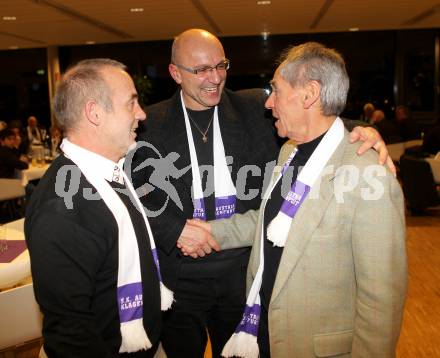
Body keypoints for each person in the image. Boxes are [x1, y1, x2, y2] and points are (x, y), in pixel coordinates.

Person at [131, 29, 392, 358]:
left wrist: (366, 132)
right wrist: (175, 230)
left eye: (220, 65)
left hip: (243, 274)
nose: (215, 78)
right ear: (175, 73)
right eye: (201, 70)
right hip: (180, 277)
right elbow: (133, 195)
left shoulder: (255, 107)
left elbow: (323, 122)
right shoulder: (148, 124)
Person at [192, 42, 407, 358]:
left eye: (276, 91)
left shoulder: (367, 174)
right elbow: (270, 220)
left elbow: (381, 301)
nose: (269, 104)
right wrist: (209, 231)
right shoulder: (288, 152)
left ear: (309, 94)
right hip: (266, 333)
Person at [25, 58, 172, 357]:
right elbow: (70, 335)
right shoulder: (61, 207)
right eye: (131, 103)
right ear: (94, 113)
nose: (142, 114)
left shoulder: (109, 174)